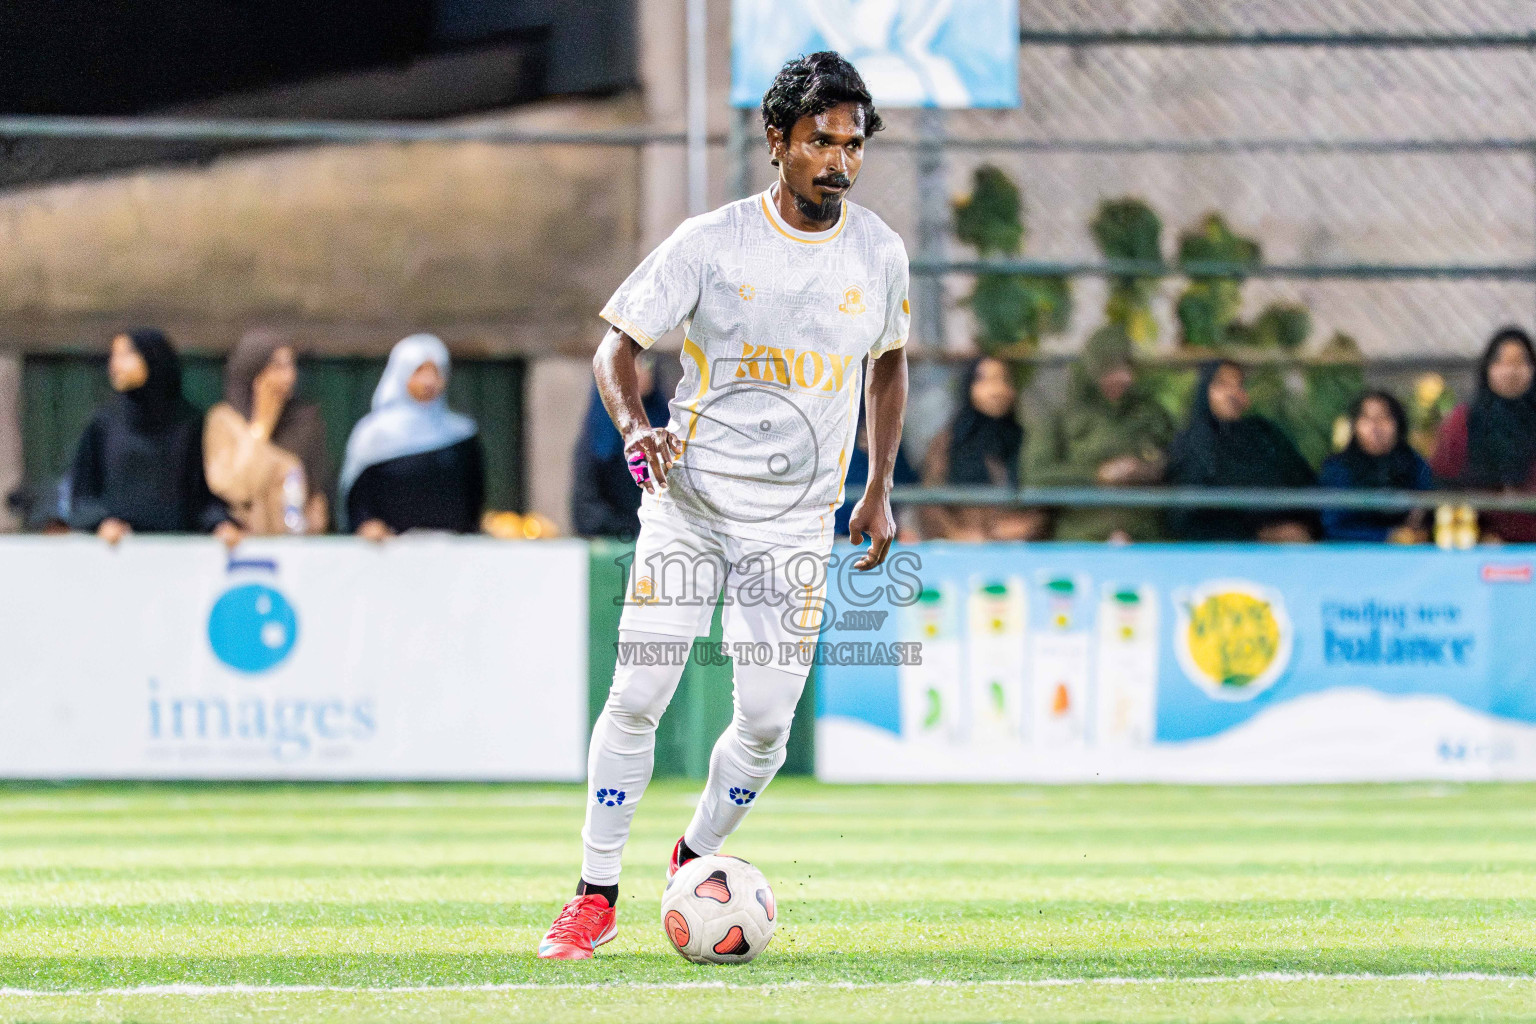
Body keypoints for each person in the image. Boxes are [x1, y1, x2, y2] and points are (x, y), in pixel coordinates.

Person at [539, 51, 910, 959]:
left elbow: (890, 363)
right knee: (639, 694)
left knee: (768, 725)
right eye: (820, 142)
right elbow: (615, 350)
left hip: (794, 523)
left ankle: (694, 854)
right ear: (777, 141)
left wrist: (879, 487)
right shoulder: (711, 242)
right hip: (689, 506)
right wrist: (635, 428)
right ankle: (593, 895)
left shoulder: (881, 252)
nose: (840, 162)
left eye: (853, 145)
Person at [68, 328, 238, 545]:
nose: (115, 365)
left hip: (178, 554)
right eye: (114, 356)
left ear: (152, 357)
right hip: (118, 555)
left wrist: (219, 524)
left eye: (126, 355)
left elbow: (201, 497)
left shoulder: (188, 423)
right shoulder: (103, 423)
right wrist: (101, 522)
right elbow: (82, 495)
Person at [1021, 325, 1175, 541]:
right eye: (1111, 368)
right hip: (1081, 541)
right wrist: (1097, 475)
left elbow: (1178, 464)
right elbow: (1036, 476)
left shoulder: (1152, 415)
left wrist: (1146, 470)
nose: (1122, 377)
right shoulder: (1061, 417)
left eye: (1127, 367)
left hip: (1144, 541)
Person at [338, 334, 484, 539]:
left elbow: (473, 499)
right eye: (419, 371)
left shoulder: (461, 434)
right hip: (388, 555)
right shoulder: (373, 434)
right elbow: (358, 499)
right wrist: (367, 525)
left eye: (436, 371)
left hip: (451, 555)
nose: (429, 381)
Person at [1164, 360, 1316, 542]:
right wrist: (1261, 535)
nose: (1232, 393)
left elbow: (1304, 482)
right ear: (1204, 392)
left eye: (1239, 385)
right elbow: (1187, 519)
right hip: (1222, 556)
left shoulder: (1263, 433)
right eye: (1221, 385)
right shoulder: (1192, 443)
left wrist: (1302, 528)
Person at [204, 329, 331, 534]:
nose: (289, 376)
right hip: (244, 543)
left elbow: (316, 496)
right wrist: (262, 424)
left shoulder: (305, 421)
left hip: (296, 545)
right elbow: (236, 487)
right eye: (278, 367)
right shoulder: (224, 421)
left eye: (291, 365)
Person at [918, 356, 1044, 541]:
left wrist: (1023, 527)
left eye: (1003, 380)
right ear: (969, 387)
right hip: (960, 547)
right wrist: (958, 534)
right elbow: (929, 501)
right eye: (985, 380)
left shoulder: (1027, 441)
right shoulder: (948, 441)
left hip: (1016, 548)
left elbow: (1044, 498)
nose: (996, 390)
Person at [1431, 327, 1536, 543]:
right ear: (1487, 368)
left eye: (1520, 362)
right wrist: (1480, 533)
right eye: (1502, 362)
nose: (1511, 371)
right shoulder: (1463, 421)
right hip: (1479, 546)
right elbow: (1445, 484)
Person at [570, 355, 670, 538]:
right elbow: (584, 509)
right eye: (626, 365)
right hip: (615, 542)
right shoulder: (598, 432)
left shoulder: (668, 426)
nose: (637, 372)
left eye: (643, 363)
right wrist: (629, 528)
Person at [1319, 390, 1435, 542]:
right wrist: (1387, 536)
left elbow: (1430, 508)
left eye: (1384, 418)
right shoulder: (1337, 469)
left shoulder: (1414, 464)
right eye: (1367, 419)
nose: (1375, 427)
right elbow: (1332, 527)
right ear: (1355, 426)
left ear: (1398, 424)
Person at [834, 407, 918, 537]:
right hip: (841, 537)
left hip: (884, 539)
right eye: (865, 428)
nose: (868, 435)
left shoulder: (898, 461)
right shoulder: (847, 460)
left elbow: (911, 494)